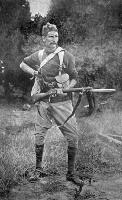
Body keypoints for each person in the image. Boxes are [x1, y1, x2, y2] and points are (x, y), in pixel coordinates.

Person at [20, 22, 84, 186]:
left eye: (56, 36)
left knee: (73, 137)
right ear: (43, 39)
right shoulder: (39, 55)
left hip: (63, 103)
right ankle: (39, 169)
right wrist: (34, 72)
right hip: (43, 102)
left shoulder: (66, 56)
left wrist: (67, 88)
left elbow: (75, 76)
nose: (54, 39)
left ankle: (70, 173)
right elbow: (22, 64)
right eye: (50, 36)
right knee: (39, 135)